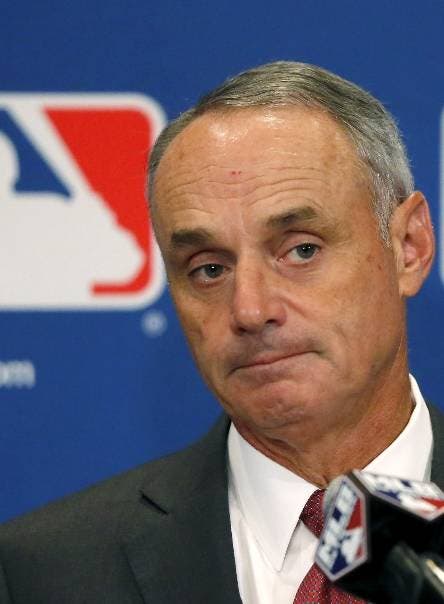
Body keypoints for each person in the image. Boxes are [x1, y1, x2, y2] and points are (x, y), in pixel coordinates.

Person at [0, 61, 442, 603]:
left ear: (409, 247)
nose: (250, 310)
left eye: (301, 249)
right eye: (209, 268)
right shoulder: (44, 574)